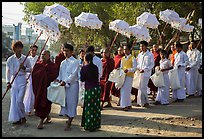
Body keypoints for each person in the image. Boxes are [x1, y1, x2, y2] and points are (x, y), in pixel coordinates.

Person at [55, 43, 80, 131]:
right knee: (65, 104)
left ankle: (69, 122)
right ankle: (68, 118)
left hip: (72, 86)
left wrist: (65, 81)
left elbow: (73, 75)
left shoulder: (75, 62)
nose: (65, 53)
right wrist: (58, 80)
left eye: (67, 51)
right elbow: (60, 74)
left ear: (72, 52)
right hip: (64, 86)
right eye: (64, 51)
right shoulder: (62, 63)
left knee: (72, 104)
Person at [6, 41, 32, 124]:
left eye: (20, 48)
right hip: (14, 80)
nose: (19, 49)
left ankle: (23, 116)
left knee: (19, 100)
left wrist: (24, 68)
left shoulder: (25, 59)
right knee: (14, 100)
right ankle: (17, 118)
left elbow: (30, 69)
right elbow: (8, 71)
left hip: (22, 80)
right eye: (17, 48)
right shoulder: (10, 59)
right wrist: (8, 82)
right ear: (14, 49)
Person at [32, 50, 58, 129]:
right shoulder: (38, 65)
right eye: (42, 54)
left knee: (45, 104)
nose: (43, 56)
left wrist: (45, 77)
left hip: (47, 88)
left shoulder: (52, 66)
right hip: (39, 88)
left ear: (49, 56)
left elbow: (54, 75)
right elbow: (34, 74)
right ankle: (48, 117)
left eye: (45, 55)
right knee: (40, 103)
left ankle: (41, 122)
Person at [80, 53, 101, 132]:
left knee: (89, 107)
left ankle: (89, 125)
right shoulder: (95, 67)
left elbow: (82, 79)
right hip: (96, 89)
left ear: (86, 60)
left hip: (89, 89)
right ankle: (96, 124)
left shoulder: (85, 68)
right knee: (95, 107)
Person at [136, 41, 154, 107]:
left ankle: (145, 102)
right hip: (139, 73)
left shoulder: (150, 54)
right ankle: (140, 102)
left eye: (142, 46)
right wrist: (138, 68)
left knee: (143, 87)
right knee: (139, 87)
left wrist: (145, 69)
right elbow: (137, 63)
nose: (141, 47)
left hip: (146, 73)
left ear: (146, 46)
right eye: (140, 46)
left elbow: (152, 64)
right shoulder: (140, 55)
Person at [120, 44, 137, 111]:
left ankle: (125, 105)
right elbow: (121, 67)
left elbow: (135, 68)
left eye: (126, 49)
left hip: (129, 76)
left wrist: (128, 70)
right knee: (124, 90)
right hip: (123, 76)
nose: (125, 51)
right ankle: (128, 104)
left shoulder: (132, 58)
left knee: (126, 90)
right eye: (124, 49)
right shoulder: (123, 58)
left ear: (129, 50)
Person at [23, 45, 38, 116]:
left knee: (35, 93)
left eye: (35, 50)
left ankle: (35, 107)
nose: (34, 52)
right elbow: (24, 68)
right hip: (28, 77)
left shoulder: (38, 59)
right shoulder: (27, 59)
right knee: (28, 93)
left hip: (36, 77)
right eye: (32, 50)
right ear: (30, 51)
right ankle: (28, 109)